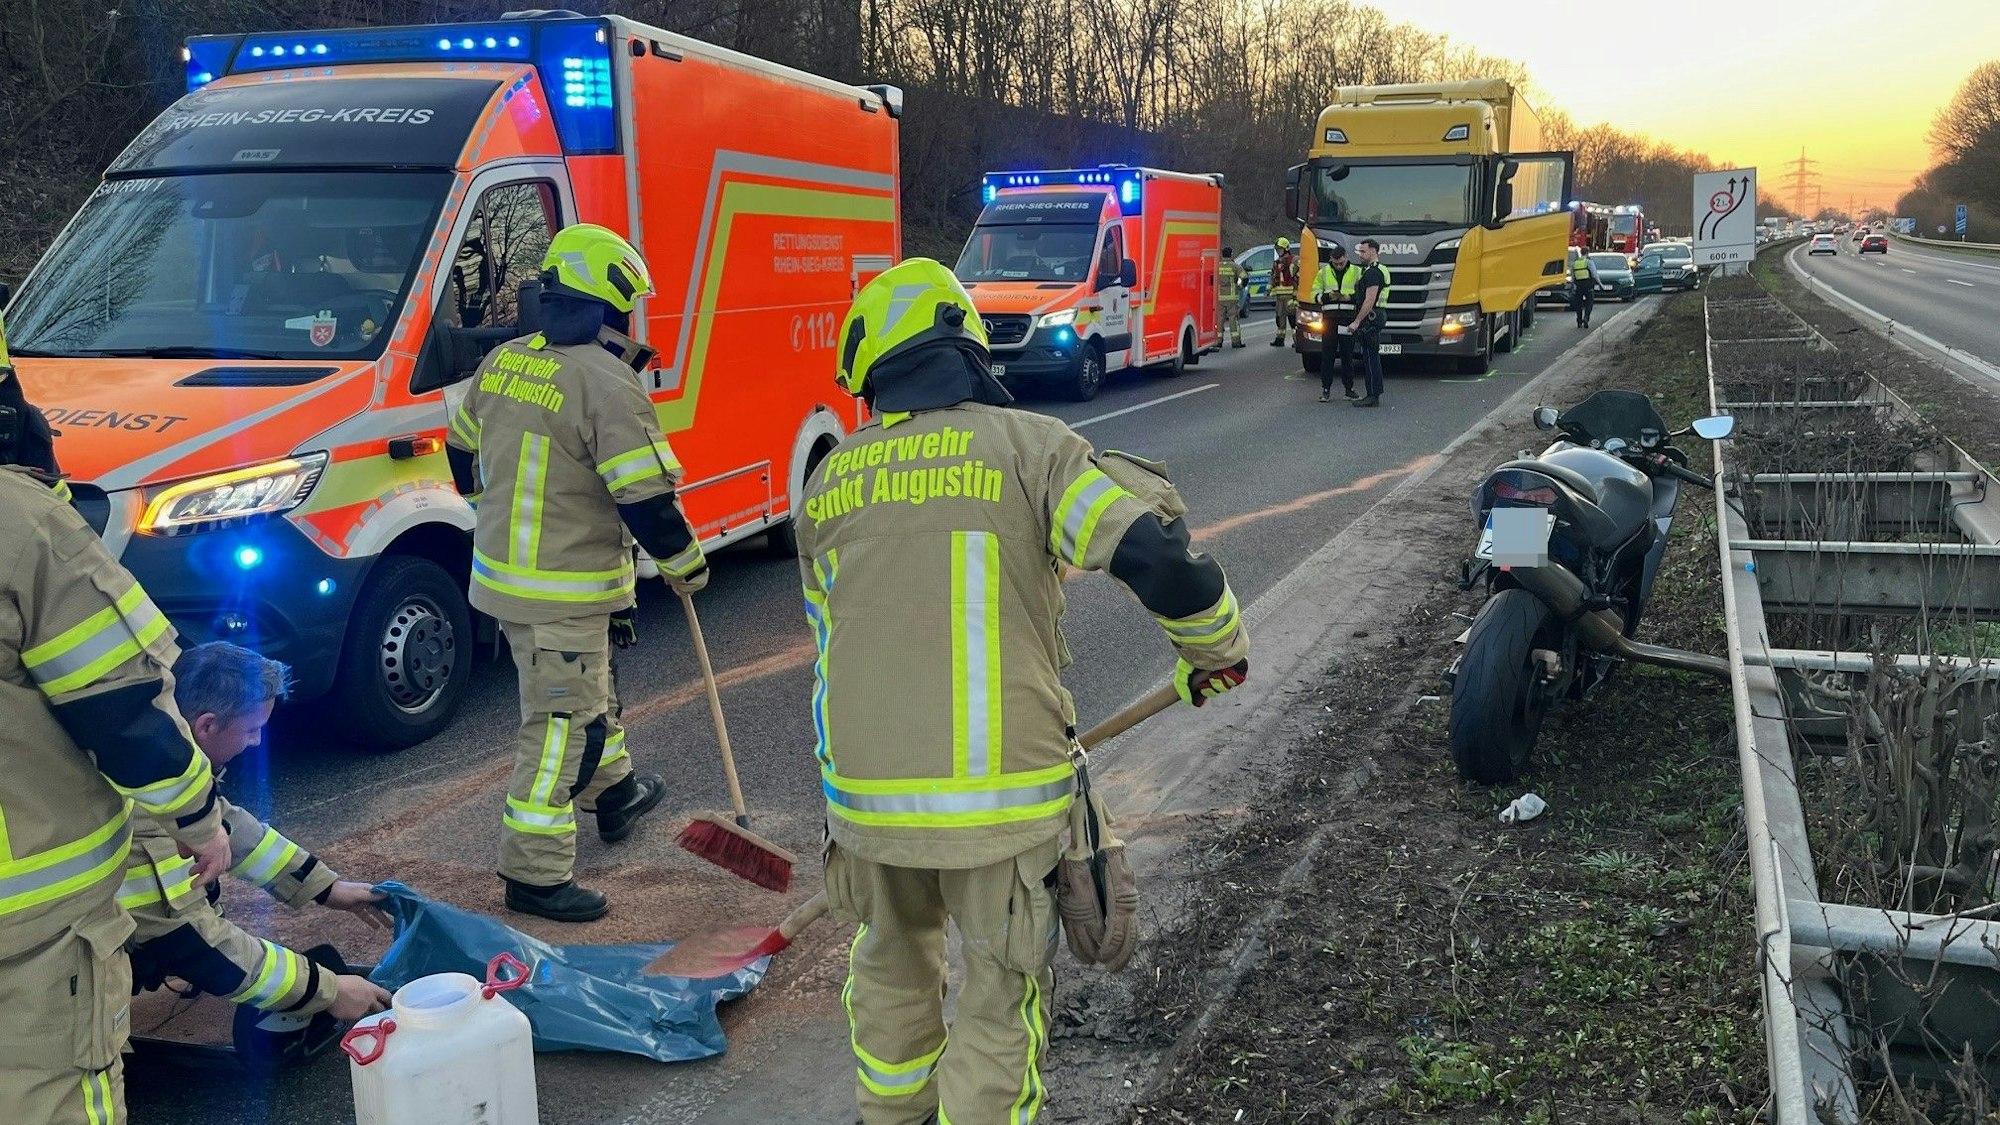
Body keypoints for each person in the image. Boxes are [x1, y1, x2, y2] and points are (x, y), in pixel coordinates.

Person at [800, 258, 1251, 1125]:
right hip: (997, 813)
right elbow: (1157, 557)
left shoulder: (828, 483)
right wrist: (1215, 648)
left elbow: (832, 652)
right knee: (1000, 997)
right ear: (965, 349)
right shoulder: (1031, 449)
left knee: (890, 976)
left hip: (864, 810)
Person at [0, 311, 231, 1125]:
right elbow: (125, 713)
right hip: (26, 929)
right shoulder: (20, 522)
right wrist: (202, 819)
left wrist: (325, 885)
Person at [446, 223, 709, 923]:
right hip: (560, 589)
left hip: (506, 582)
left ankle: (616, 792)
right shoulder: (606, 381)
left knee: (590, 688)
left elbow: (460, 449)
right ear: (606, 307)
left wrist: (492, 516)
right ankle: (532, 872)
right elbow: (645, 498)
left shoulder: (502, 362)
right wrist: (687, 565)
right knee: (562, 723)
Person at [122, 642, 391, 1029]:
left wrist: (327, 888)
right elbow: (197, 943)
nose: (257, 743)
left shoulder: (154, 764)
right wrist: (327, 991)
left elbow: (230, 828)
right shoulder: (146, 818)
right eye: (251, 730)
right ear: (207, 725)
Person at [1311, 244, 1361, 402]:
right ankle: (1326, 389)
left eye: (1341, 263)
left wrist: (1349, 297)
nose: (1338, 266)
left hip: (1347, 318)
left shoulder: (1357, 272)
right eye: (1335, 263)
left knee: (1347, 354)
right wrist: (1327, 297)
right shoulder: (1324, 272)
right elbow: (1314, 293)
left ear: (1346, 257)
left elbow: (1363, 293)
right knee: (1328, 355)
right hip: (1330, 318)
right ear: (1331, 260)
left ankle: (1349, 389)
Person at [1347, 239, 1392, 408]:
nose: (1360, 255)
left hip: (1371, 317)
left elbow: (1370, 299)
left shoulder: (1373, 272)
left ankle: (1372, 395)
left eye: (1363, 252)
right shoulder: (1380, 270)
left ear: (1373, 251)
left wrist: (1357, 321)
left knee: (1370, 357)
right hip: (1376, 315)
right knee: (1370, 356)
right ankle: (1373, 394)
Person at [1270, 237, 1299, 347]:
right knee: (1279, 318)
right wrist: (1269, 288)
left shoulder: (1295, 260)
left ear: (1286, 249)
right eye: (1277, 250)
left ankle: (1297, 341)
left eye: (1280, 249)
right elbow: (1273, 277)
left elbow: (1299, 277)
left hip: (1290, 295)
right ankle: (1279, 339)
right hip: (1280, 296)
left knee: (1293, 319)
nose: (1278, 252)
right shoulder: (1276, 262)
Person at [1216, 248, 1245, 348]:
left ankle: (1218, 341)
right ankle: (1236, 342)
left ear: (1222, 255)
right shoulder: (1235, 266)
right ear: (1231, 254)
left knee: (1219, 319)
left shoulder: (1217, 266)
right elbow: (1244, 277)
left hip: (1219, 298)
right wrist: (1240, 286)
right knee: (1233, 319)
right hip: (1232, 298)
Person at [1571, 250, 1597, 328]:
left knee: (1578, 303)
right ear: (1587, 253)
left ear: (1581, 253)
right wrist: (1600, 284)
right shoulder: (1588, 262)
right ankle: (1586, 317)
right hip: (1588, 285)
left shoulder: (1575, 263)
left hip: (1578, 285)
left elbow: (1573, 276)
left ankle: (1579, 321)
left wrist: (1574, 285)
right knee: (1589, 302)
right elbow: (1594, 274)